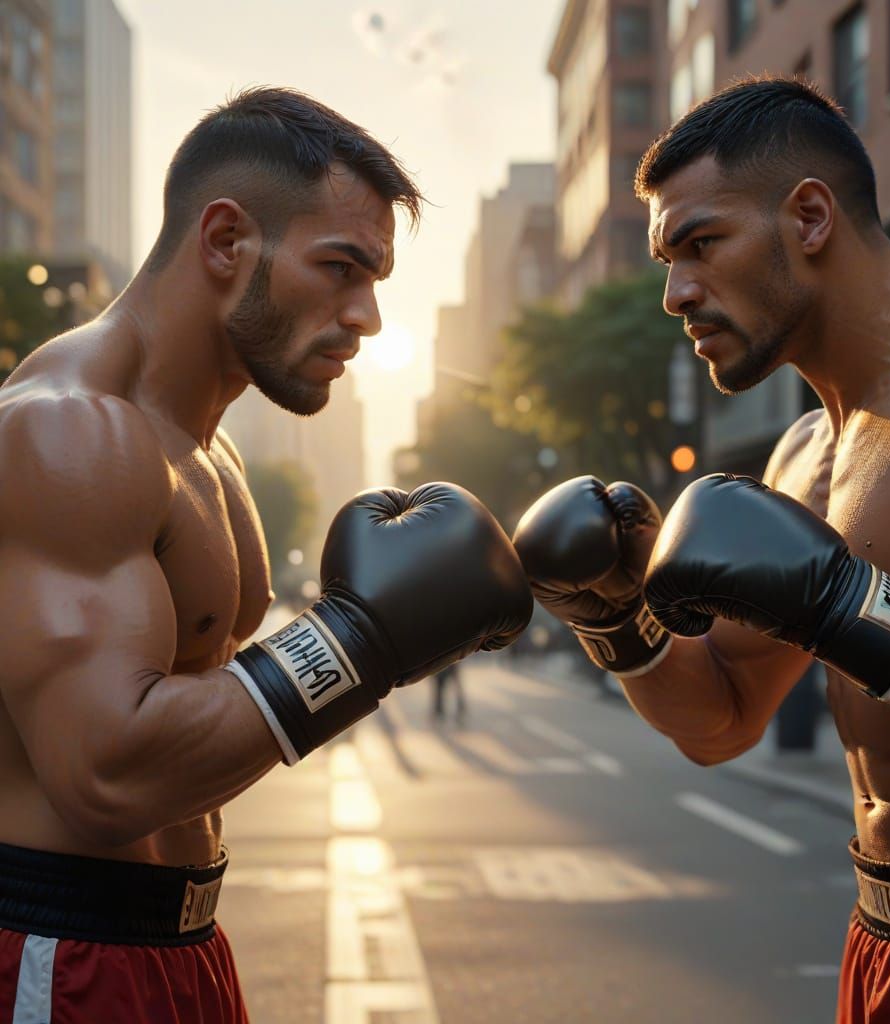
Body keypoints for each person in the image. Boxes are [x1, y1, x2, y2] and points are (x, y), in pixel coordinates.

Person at [0, 87, 533, 1022]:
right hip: (63, 949)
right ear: (224, 241)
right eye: (340, 268)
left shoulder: (214, 453)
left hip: (187, 942)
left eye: (376, 283)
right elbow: (105, 772)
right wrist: (363, 640)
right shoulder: (71, 435)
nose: (366, 316)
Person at [514, 76, 890, 1023]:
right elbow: (725, 720)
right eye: (669, 260)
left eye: (700, 245)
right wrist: (617, 619)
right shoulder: (806, 456)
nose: (675, 293)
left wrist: (840, 601)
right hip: (882, 934)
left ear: (810, 217)